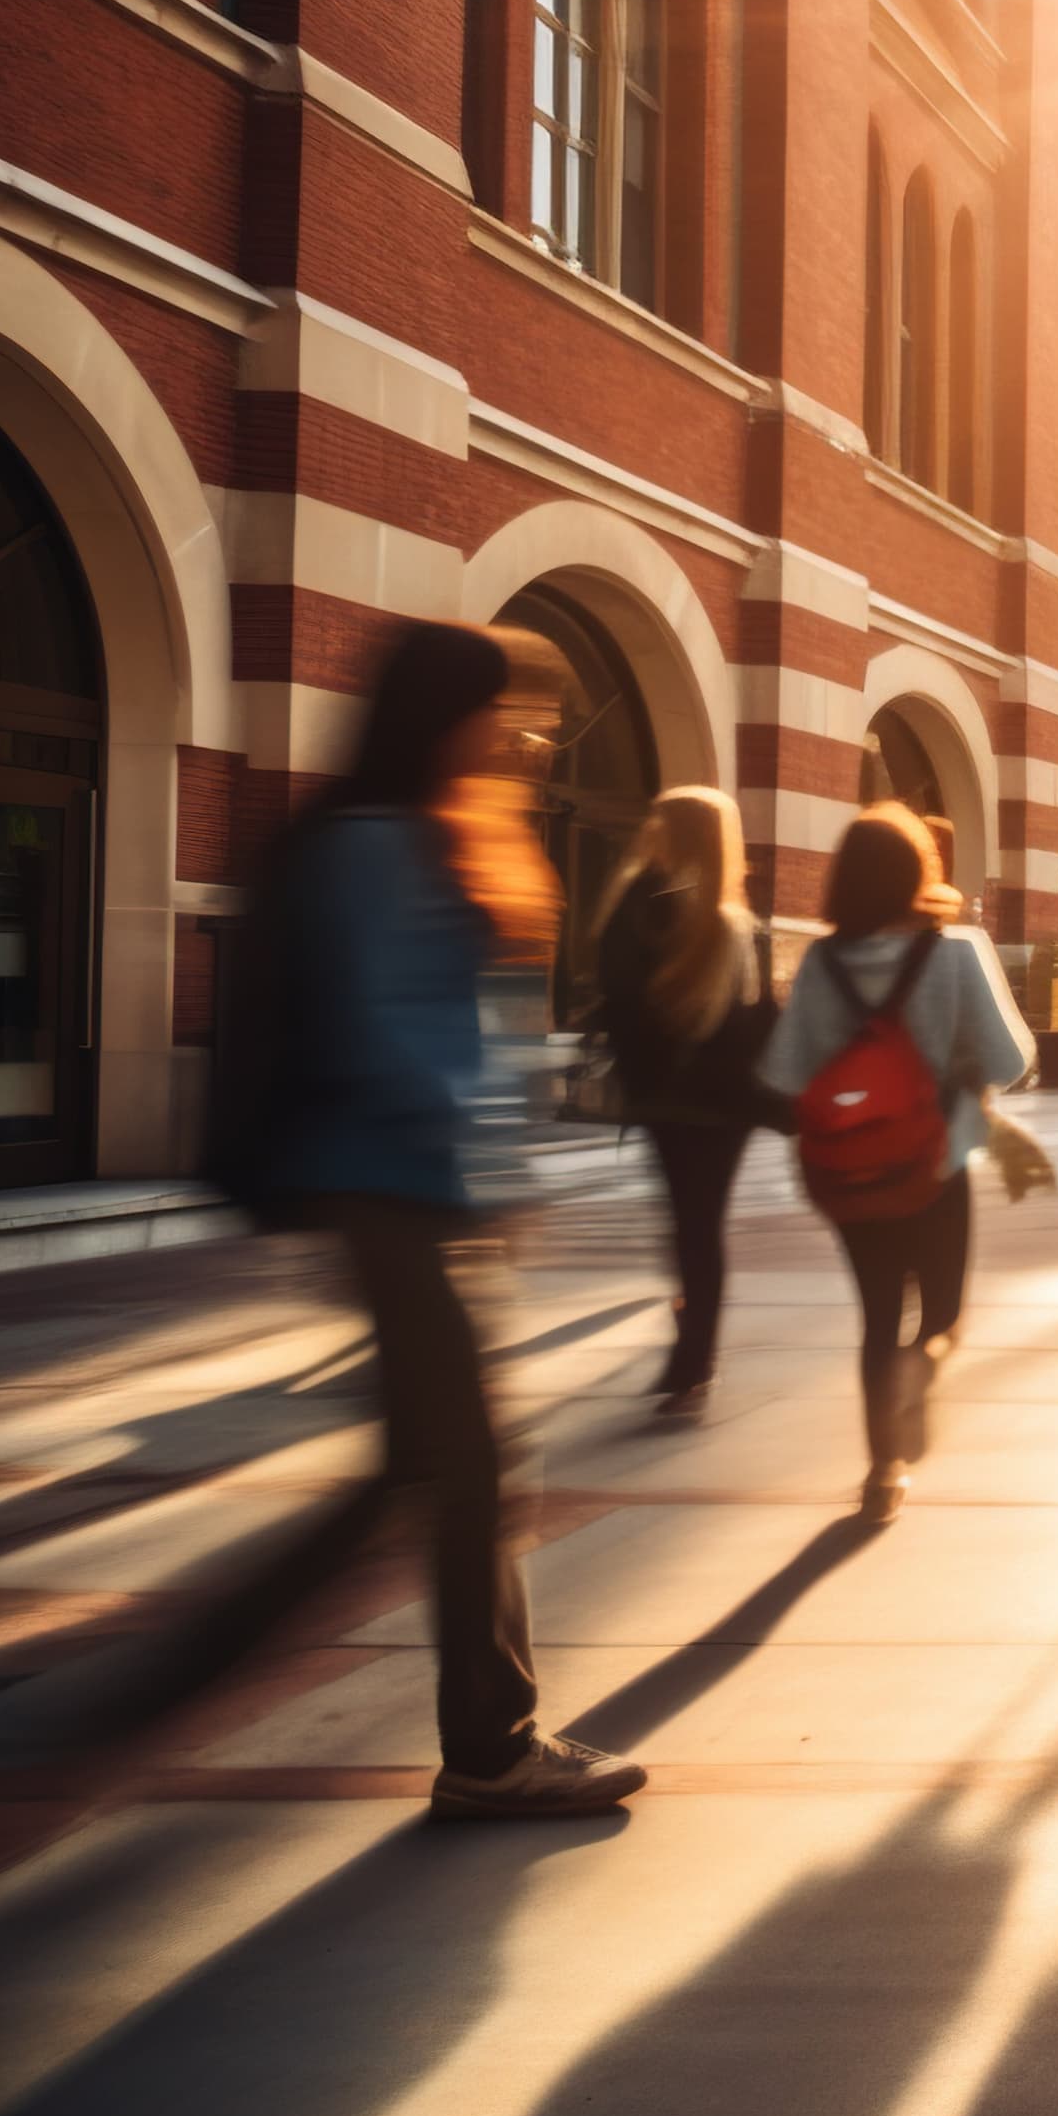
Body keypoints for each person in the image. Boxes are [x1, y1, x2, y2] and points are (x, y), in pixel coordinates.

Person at [215, 620, 645, 1816]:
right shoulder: (378, 847)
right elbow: (400, 1043)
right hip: (396, 1193)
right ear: (446, 714)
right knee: (467, 1473)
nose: (519, 737)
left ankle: (482, 1738)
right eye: (504, 712)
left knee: (439, 1470)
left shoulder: (410, 835)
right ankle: (489, 1750)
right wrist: (485, 1180)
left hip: (401, 1192)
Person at [761, 805, 1036, 1524]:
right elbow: (1008, 1060)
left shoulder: (823, 961)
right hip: (936, 1162)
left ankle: (881, 1473)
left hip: (847, 1168)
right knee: (940, 1313)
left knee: (877, 1317)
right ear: (921, 872)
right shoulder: (953, 952)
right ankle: (926, 1365)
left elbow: (788, 1072)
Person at [591, 785, 779, 1418]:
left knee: (686, 1223)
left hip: (665, 1103)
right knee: (704, 1226)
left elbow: (617, 999)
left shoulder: (643, 905)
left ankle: (689, 1356)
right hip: (724, 1110)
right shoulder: (742, 927)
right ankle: (695, 1355)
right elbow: (758, 1026)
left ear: (665, 834)